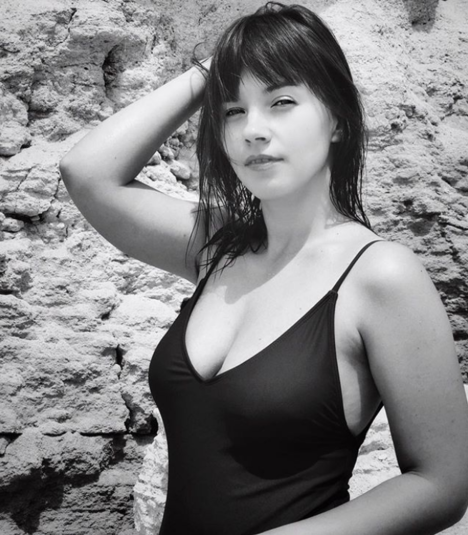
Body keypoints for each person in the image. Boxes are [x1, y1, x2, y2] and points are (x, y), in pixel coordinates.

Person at [60, 3, 468, 534]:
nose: (253, 129)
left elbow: (442, 483)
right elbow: (86, 172)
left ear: (338, 120)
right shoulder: (217, 245)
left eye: (281, 102)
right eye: (233, 110)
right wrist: (219, 66)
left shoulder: (380, 275)